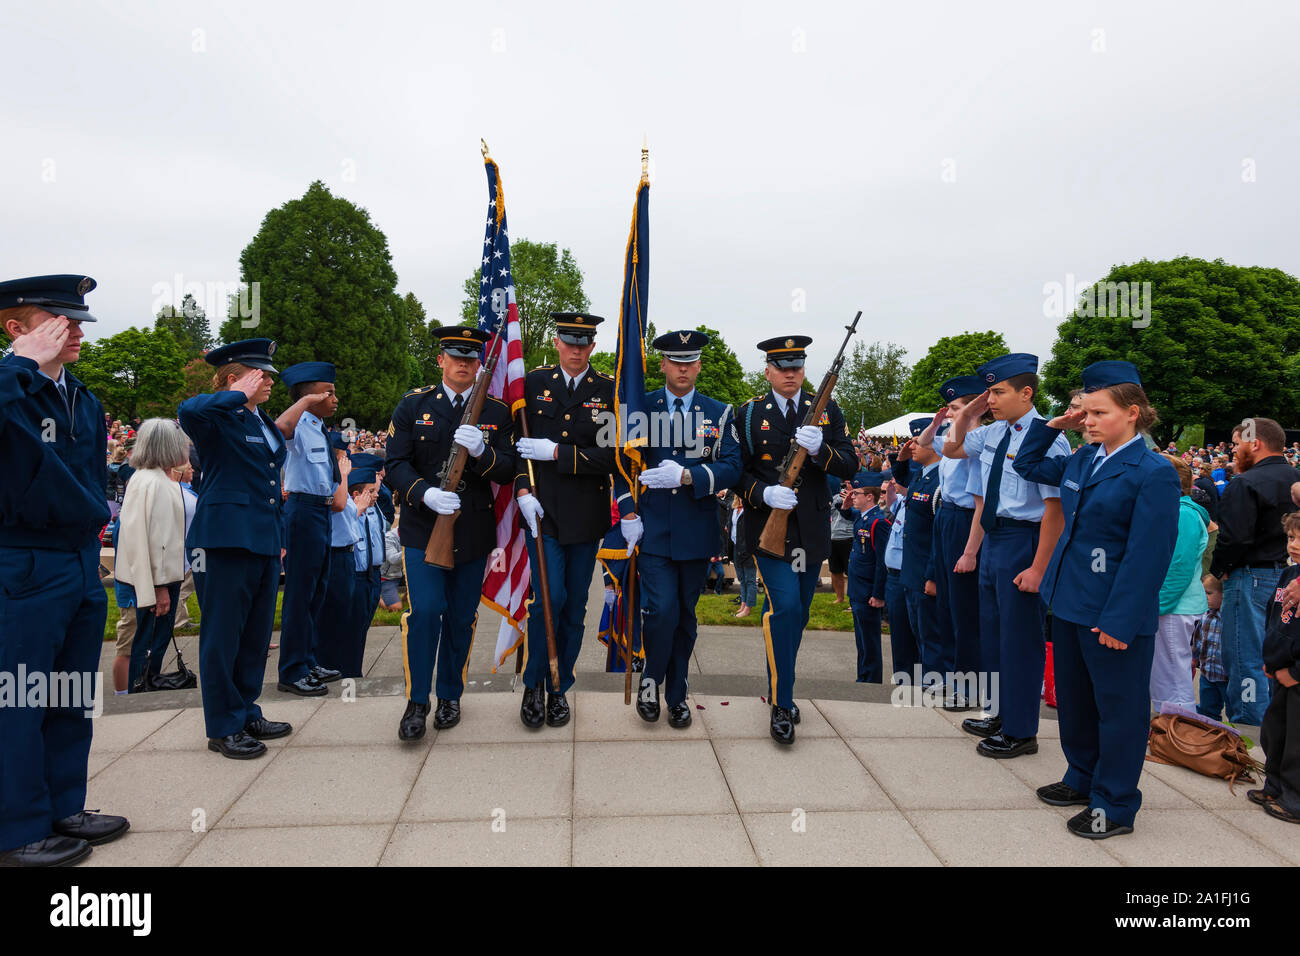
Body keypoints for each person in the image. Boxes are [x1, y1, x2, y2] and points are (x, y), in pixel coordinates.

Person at [1013, 360, 1179, 838]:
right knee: (1078, 705)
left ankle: (1116, 802)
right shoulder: (1084, 458)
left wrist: (1120, 621)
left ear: (1133, 412)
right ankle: (1081, 777)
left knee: (1119, 712)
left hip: (1112, 613)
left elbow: (1149, 557)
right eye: (1084, 412)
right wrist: (1053, 425)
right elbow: (1026, 465)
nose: (1087, 420)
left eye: (1097, 412)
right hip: (1068, 603)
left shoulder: (1153, 472)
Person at [0, 274, 130, 866]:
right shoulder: (11, 384)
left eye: (77, 321)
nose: (75, 331)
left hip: (77, 556)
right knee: (20, 699)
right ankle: (19, 827)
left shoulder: (80, 394)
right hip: (22, 558)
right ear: (16, 328)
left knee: (70, 691)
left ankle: (62, 806)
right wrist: (17, 367)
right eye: (57, 321)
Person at [387, 326, 517, 737]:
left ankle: (450, 695)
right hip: (424, 528)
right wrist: (423, 494)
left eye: (471, 358)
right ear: (441, 360)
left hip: (473, 530)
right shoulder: (414, 405)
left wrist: (483, 452)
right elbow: (395, 464)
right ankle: (416, 701)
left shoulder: (495, 412)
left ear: (480, 364)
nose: (463, 363)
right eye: (455, 356)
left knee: (461, 619)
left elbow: (511, 469)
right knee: (424, 613)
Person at [941, 352, 1068, 758]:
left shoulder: (1048, 437)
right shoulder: (994, 433)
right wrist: (967, 414)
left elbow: (1054, 510)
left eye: (998, 391)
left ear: (1026, 392)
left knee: (1020, 641)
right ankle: (999, 712)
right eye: (989, 391)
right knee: (993, 637)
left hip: (1023, 542)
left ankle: (1021, 729)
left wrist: (1038, 567)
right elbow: (952, 448)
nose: (990, 398)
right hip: (995, 538)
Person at [734, 335, 857, 743]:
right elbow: (738, 472)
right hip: (769, 532)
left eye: (797, 368)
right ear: (768, 371)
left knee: (798, 617)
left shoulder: (827, 410)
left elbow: (850, 462)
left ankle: (777, 688)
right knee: (783, 609)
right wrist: (763, 493)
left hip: (810, 534)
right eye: (782, 368)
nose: (790, 374)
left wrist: (822, 449)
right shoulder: (750, 414)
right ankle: (783, 703)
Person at [178, 338, 294, 760]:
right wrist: (234, 395)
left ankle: (246, 710)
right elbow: (188, 412)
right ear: (235, 379)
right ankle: (223, 725)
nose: (269, 383)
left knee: (255, 634)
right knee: (222, 636)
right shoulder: (218, 417)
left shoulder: (259, 419)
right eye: (261, 376)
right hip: (223, 539)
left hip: (261, 539)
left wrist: (277, 541)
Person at [514, 314, 630, 730]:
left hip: (586, 515)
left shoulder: (608, 391)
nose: (577, 348)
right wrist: (521, 492)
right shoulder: (531, 383)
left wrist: (557, 454)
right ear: (557, 342)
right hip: (541, 514)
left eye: (584, 342)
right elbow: (516, 448)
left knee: (575, 608)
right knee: (550, 599)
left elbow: (612, 456)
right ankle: (533, 684)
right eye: (569, 340)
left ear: (593, 347)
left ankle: (558, 687)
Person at [629, 330, 742, 727]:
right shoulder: (641, 406)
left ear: (699, 366)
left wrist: (690, 476)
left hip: (696, 530)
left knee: (685, 617)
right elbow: (622, 466)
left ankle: (676, 693)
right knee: (661, 611)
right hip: (654, 528)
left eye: (690, 362)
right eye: (675, 362)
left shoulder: (719, 412)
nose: (682, 368)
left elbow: (732, 464)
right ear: (662, 364)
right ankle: (649, 680)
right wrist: (628, 513)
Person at [1208, 417, 1300, 725]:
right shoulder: (1295, 478)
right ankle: (1272, 727)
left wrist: (1219, 569)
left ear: (1255, 443)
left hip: (1251, 576)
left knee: (1245, 655)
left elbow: (1234, 538)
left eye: (1237, 444)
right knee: (1278, 654)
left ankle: (1249, 726)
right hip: (1287, 575)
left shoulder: (1245, 483)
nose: (1233, 451)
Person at [916, 375, 987, 709]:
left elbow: (980, 500)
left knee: (965, 611)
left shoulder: (976, 439)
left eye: (959, 408)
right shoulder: (951, 434)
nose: (952, 414)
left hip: (966, 519)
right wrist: (937, 422)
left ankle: (970, 686)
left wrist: (970, 551)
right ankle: (949, 676)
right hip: (946, 517)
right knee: (945, 607)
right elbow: (927, 442)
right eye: (951, 408)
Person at [274, 362, 345, 696]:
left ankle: (307, 658)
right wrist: (303, 402)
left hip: (320, 512)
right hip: (303, 510)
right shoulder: (299, 424)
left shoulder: (318, 427)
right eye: (327, 392)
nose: (335, 399)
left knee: (317, 590)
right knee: (300, 594)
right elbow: (278, 429)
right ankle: (291, 670)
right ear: (310, 395)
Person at [113, 418, 189, 692]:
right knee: (148, 646)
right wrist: (158, 587)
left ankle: (142, 686)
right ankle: (141, 690)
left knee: (148, 643)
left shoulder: (146, 479)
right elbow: (153, 540)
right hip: (159, 582)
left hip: (156, 580)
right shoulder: (154, 482)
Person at [1251, 510, 1300, 823]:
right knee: (1274, 733)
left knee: (1297, 743)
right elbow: (1273, 619)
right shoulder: (1288, 575)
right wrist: (1271, 661)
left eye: (1299, 538)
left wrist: (1294, 673)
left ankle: (1294, 799)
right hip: (1279, 669)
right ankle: (1275, 785)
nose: (1293, 544)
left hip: (1296, 676)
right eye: (1291, 537)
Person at [1150, 454, 1209, 711]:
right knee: (1167, 676)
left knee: (1173, 679)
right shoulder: (1180, 511)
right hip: (1173, 606)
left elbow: (1178, 568)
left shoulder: (1183, 514)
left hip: (1174, 607)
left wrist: (1156, 607)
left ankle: (1180, 738)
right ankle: (1172, 735)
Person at [898, 417, 944, 692]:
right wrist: (902, 460)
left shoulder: (942, 478)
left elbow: (940, 533)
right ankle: (929, 681)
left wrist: (933, 574)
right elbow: (902, 481)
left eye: (918, 440)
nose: (912, 445)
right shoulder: (922, 473)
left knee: (932, 634)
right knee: (919, 632)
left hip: (926, 572)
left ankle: (937, 683)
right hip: (912, 571)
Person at [313, 452, 362, 678]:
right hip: (334, 554)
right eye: (343, 456)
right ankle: (326, 665)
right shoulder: (332, 480)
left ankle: (338, 665)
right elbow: (340, 504)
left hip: (346, 555)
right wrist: (342, 475)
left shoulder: (340, 479)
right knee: (331, 617)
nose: (347, 461)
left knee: (343, 617)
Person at [846, 476, 889, 682]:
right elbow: (848, 513)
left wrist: (878, 593)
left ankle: (871, 680)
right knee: (861, 641)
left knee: (870, 642)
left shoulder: (878, 522)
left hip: (868, 591)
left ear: (870, 497)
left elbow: (882, 562)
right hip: (857, 589)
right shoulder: (863, 517)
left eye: (857, 494)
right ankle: (862, 677)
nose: (853, 497)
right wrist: (845, 505)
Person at [882, 470, 920, 683]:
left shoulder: (919, 502)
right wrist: (890, 490)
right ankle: (903, 677)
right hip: (894, 577)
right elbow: (892, 504)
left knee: (916, 630)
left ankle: (922, 678)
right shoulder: (904, 502)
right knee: (899, 631)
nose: (895, 483)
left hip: (911, 574)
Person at [350, 467, 388, 677]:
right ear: (357, 494)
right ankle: (350, 674)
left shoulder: (375, 508)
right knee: (352, 630)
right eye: (371, 491)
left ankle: (354, 670)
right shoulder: (350, 509)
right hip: (357, 576)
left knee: (362, 628)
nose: (377, 494)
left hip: (373, 574)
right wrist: (357, 510)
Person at [1193, 575, 1228, 721]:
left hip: (1226, 676)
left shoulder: (1228, 618)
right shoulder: (1205, 616)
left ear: (1223, 594)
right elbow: (1198, 639)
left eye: (1209, 593)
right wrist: (1194, 659)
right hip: (1207, 675)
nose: (1205, 597)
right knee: (1206, 711)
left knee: (1233, 709)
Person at [729, 495, 757, 618]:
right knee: (742, 579)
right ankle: (743, 604)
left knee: (750, 579)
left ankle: (748, 607)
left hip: (748, 548)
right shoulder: (734, 509)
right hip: (736, 547)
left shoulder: (750, 510)